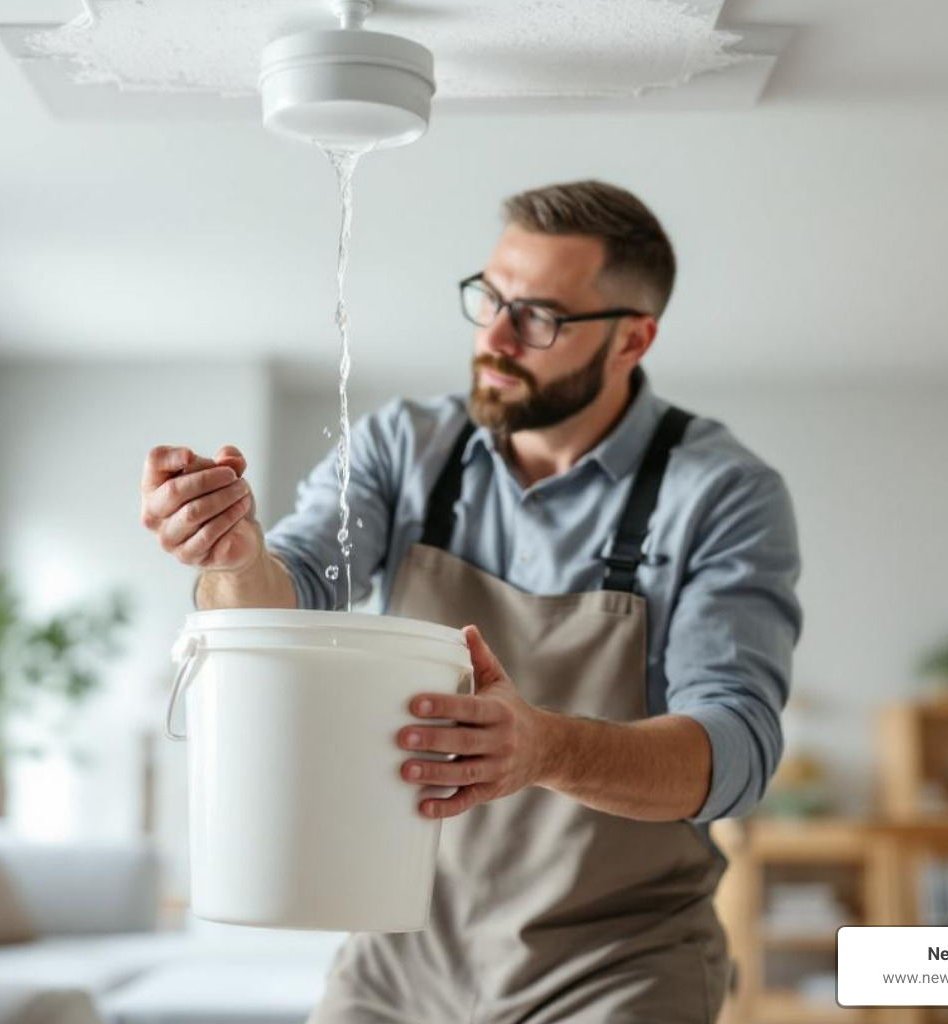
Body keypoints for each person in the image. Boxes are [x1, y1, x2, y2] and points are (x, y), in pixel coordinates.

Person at [138, 180, 802, 1023]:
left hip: (618, 965)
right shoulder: (402, 448)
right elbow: (292, 594)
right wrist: (232, 554)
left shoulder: (721, 494)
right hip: (400, 952)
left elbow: (734, 752)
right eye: (489, 297)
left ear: (633, 338)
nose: (494, 337)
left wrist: (547, 749)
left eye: (539, 317)